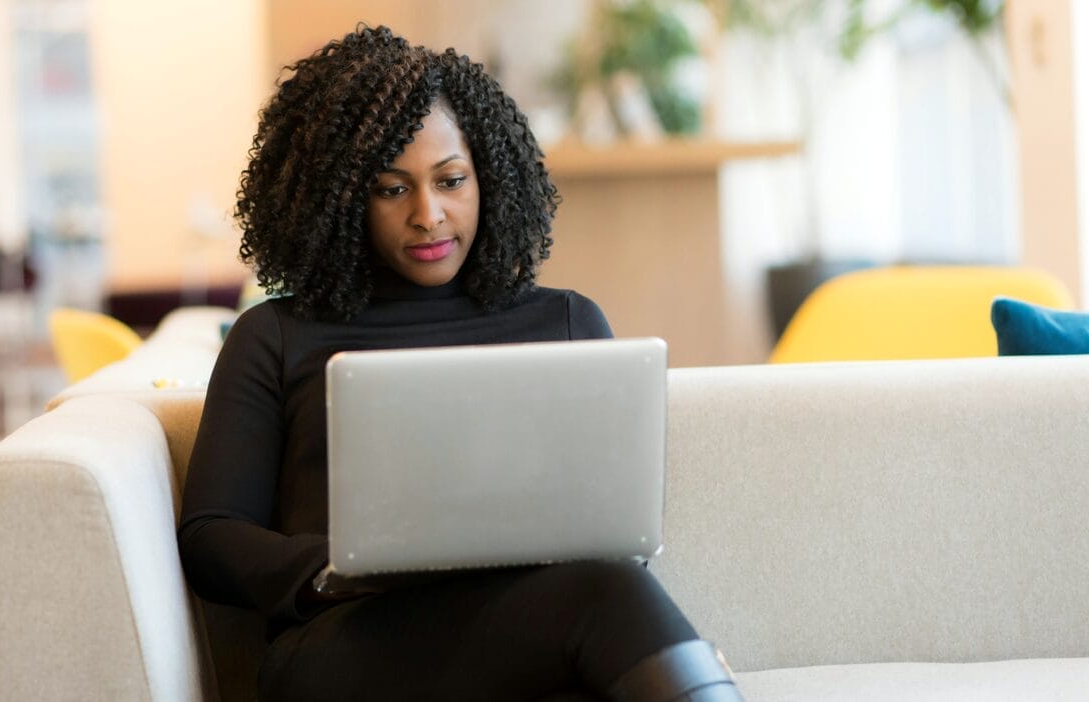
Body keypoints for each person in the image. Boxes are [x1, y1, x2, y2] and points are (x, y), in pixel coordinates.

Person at [178, 25, 745, 702]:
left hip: (532, 627)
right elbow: (211, 536)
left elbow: (606, 512)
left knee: (598, 616)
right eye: (391, 189)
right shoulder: (273, 334)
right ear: (339, 198)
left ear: (489, 177)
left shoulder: (564, 322)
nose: (428, 214)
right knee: (608, 599)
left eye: (450, 180)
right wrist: (335, 569)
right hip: (346, 646)